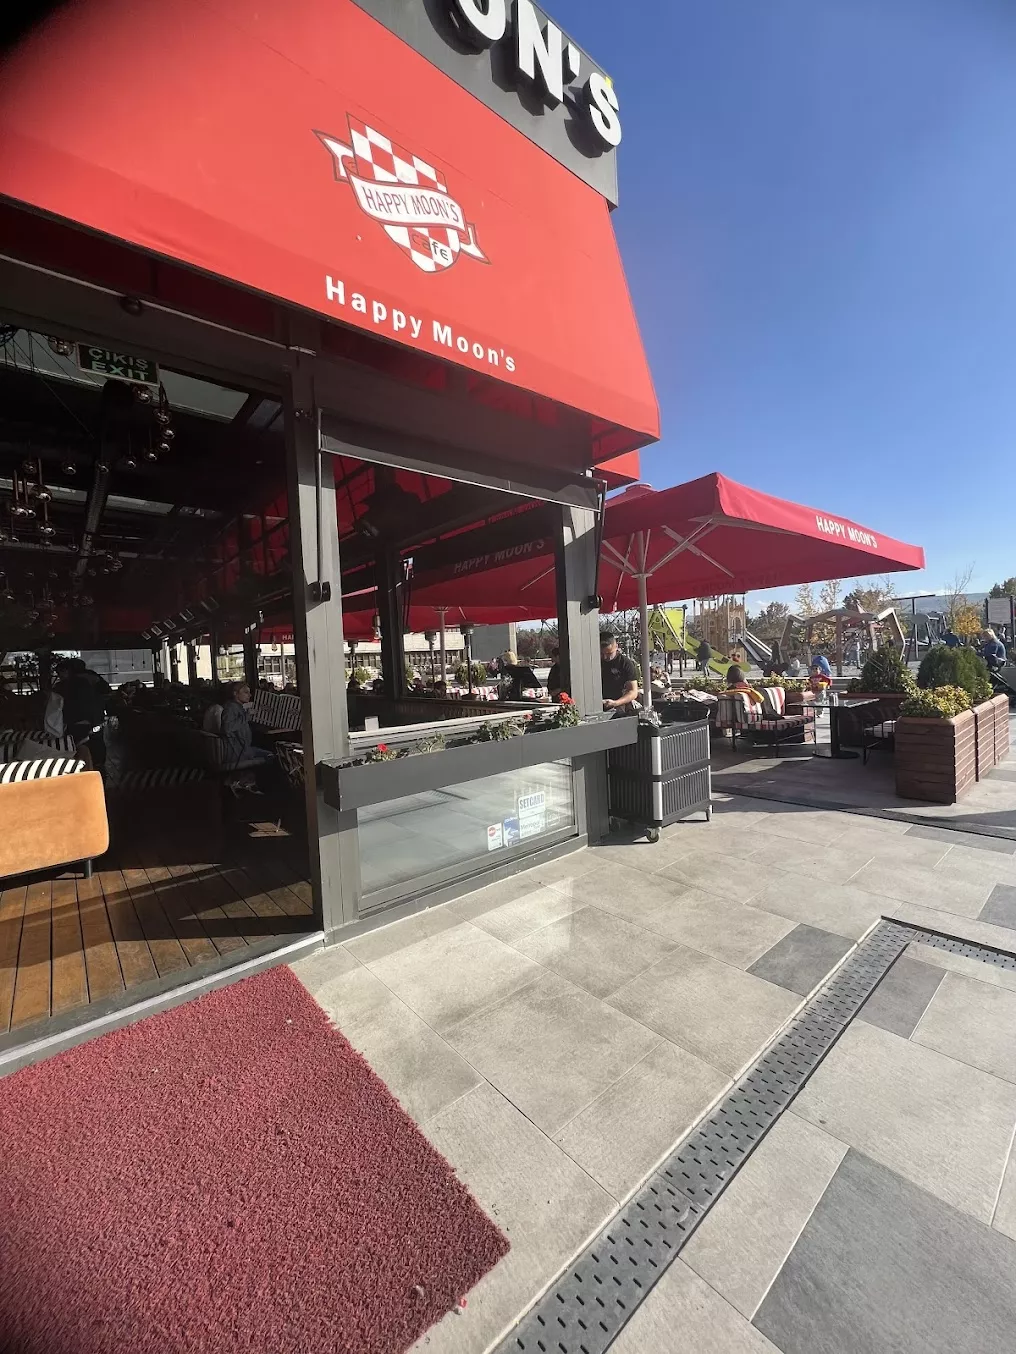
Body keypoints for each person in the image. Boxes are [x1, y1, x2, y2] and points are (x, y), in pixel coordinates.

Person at [57, 657, 112, 772]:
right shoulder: (93, 677)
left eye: (61, 672)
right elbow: (107, 691)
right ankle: (99, 766)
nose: (59, 675)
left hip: (76, 720)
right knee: (97, 742)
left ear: (68, 670)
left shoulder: (66, 684)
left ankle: (86, 768)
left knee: (78, 746)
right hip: (95, 717)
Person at [219, 683, 274, 771]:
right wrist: (247, 716)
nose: (250, 695)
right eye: (246, 692)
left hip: (243, 749)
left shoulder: (237, 707)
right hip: (238, 752)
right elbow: (228, 728)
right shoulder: (231, 708)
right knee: (272, 757)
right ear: (235, 694)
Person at [600, 630, 639, 713]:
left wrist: (616, 703)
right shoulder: (594, 661)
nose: (605, 657)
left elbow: (633, 691)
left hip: (618, 705)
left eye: (609, 653)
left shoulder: (625, 663)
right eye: (602, 654)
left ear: (616, 647)